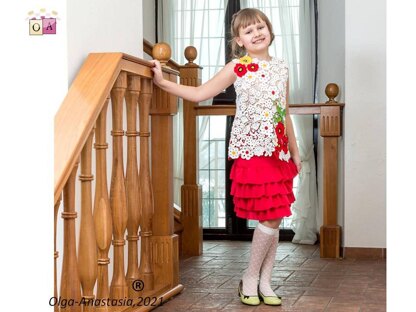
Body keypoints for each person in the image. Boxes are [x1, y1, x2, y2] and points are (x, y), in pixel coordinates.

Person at [150, 8, 301, 307]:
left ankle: (265, 282)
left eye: (260, 27)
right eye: (248, 31)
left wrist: (294, 149)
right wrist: (163, 83)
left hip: (278, 150)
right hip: (252, 149)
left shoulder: (281, 68)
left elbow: (284, 111)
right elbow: (200, 93)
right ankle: (249, 277)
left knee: (276, 213)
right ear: (239, 40)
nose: (256, 33)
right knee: (268, 216)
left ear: (269, 30)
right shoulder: (238, 67)